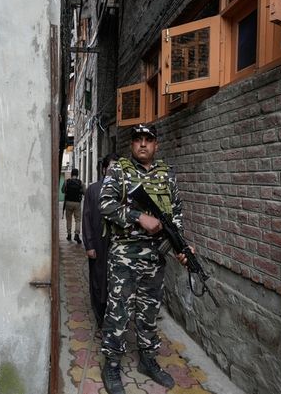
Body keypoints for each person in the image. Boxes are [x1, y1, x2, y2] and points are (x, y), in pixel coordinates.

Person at [98, 124, 191, 394]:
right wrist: (139, 217)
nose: (142, 144)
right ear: (132, 145)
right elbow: (105, 204)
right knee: (119, 309)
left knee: (150, 310)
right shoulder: (120, 170)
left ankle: (148, 360)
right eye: (137, 139)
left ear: (156, 145)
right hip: (125, 254)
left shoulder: (166, 175)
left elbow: (175, 217)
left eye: (147, 140)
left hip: (156, 256)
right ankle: (112, 364)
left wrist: (182, 247)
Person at [81, 153, 119, 329]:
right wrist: (89, 244)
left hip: (118, 245)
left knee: (116, 282)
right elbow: (87, 218)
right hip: (98, 243)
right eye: (111, 168)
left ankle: (114, 319)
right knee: (98, 281)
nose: (114, 172)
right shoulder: (93, 190)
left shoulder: (123, 191)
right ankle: (100, 318)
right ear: (104, 169)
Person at [62, 168, 84, 243]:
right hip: (77, 203)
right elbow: (85, 192)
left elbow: (62, 190)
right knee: (77, 219)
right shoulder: (80, 182)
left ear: (71, 174)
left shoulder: (66, 182)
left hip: (68, 202)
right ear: (77, 174)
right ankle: (77, 234)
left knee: (69, 219)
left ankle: (69, 234)